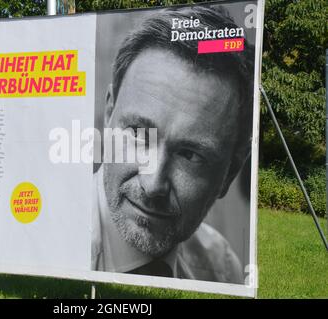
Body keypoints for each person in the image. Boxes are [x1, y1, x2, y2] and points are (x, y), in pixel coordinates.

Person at [91, 5, 254, 284]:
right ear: (109, 113)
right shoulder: (46, 246)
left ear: (230, 172)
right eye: (140, 134)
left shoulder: (222, 268)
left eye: (190, 155)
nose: (153, 185)